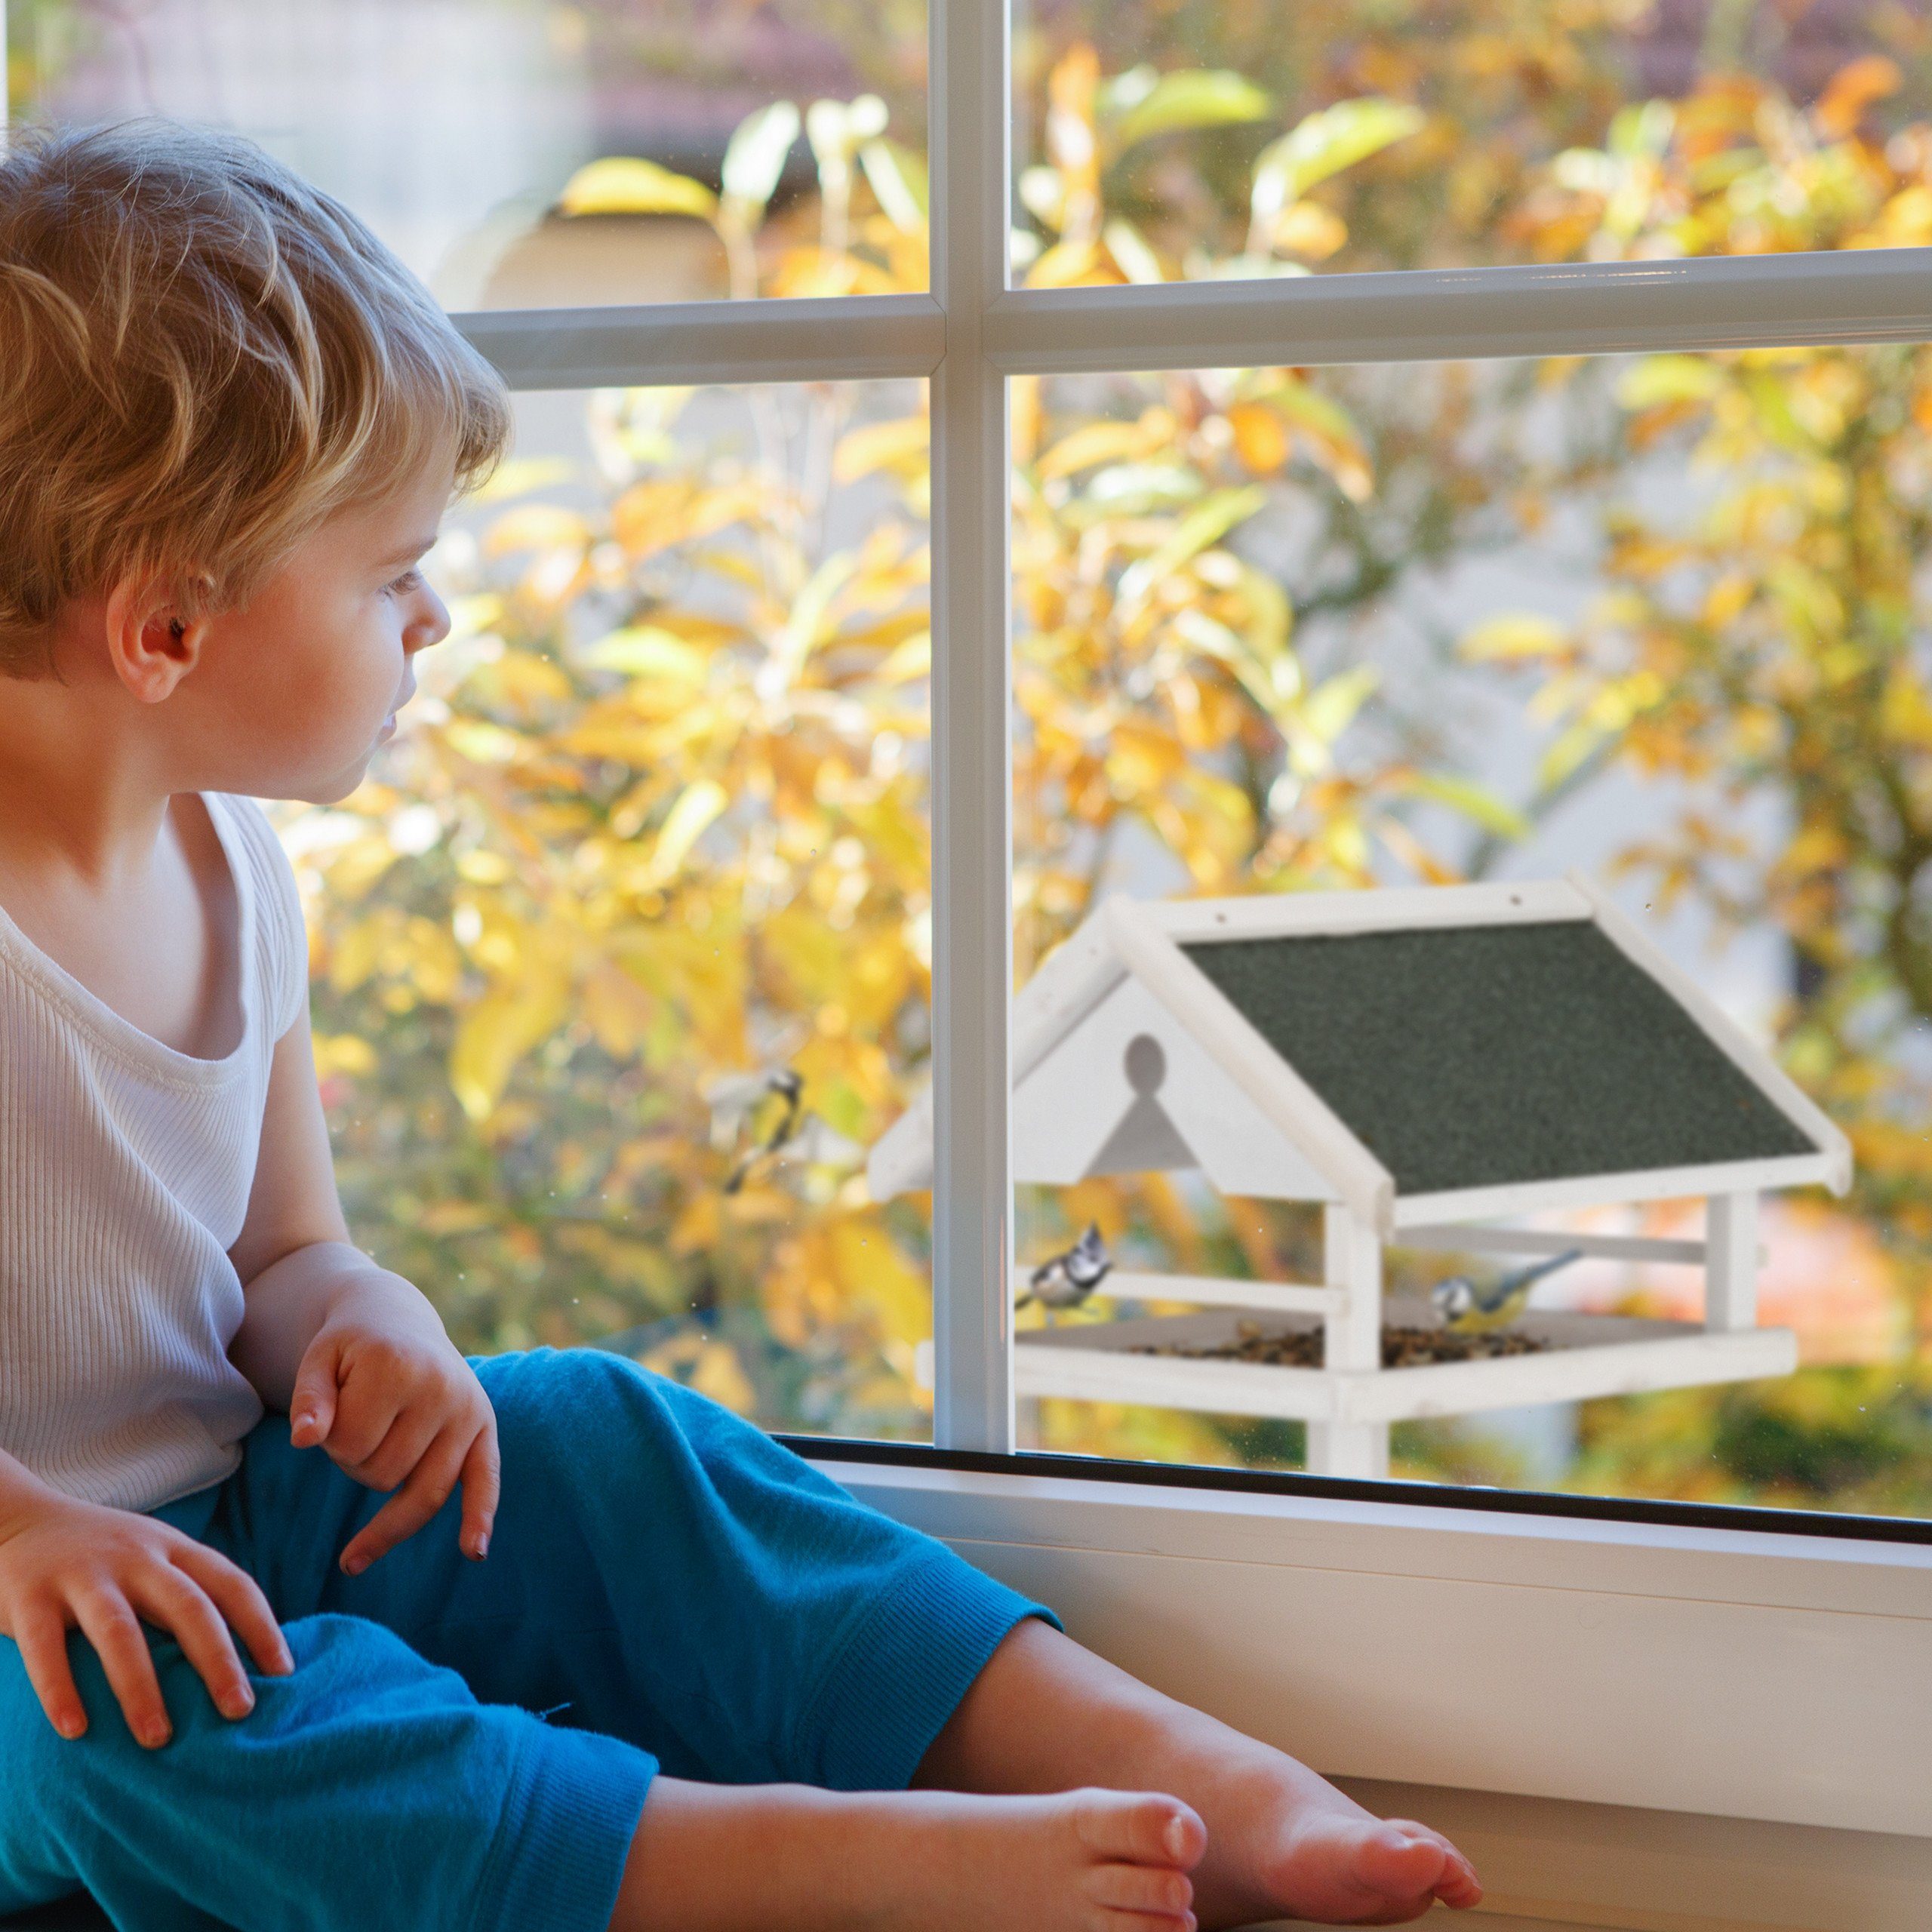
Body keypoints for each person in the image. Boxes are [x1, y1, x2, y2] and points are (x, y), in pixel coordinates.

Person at [0, 119, 1482, 1932]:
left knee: (599, 1443)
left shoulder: (228, 864)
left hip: (224, 1528)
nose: (437, 615)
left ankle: (1185, 1766)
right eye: (392, 576)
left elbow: (281, 1246)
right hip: (24, 1647)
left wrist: (360, 1313)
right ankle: (807, 1865)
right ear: (164, 627)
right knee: (132, 1731)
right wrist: (30, 1533)